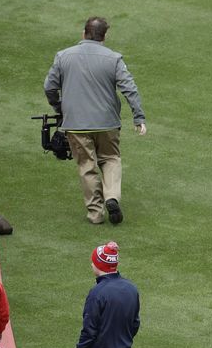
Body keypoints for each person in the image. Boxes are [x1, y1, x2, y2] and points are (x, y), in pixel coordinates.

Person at [43, 17, 147, 226]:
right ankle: (111, 197)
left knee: (87, 166)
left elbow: (49, 87)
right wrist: (138, 117)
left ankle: (95, 214)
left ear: (84, 33)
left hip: (76, 125)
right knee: (110, 159)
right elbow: (130, 89)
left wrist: (59, 108)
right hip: (108, 123)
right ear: (104, 36)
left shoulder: (63, 56)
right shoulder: (114, 58)